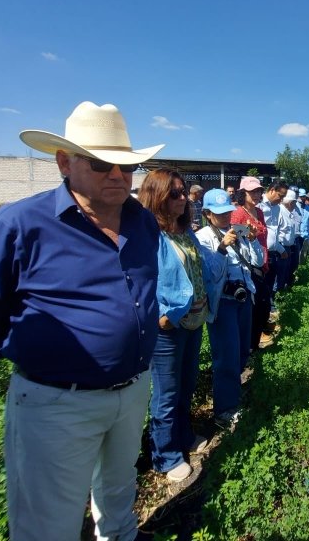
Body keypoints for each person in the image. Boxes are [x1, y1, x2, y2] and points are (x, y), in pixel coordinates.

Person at [0, 101, 165, 541]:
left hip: (132, 386)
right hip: (56, 402)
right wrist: (39, 350)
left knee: (120, 485)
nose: (118, 176)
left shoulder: (142, 222)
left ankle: (121, 534)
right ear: (64, 162)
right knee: (48, 519)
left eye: (127, 166)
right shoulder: (16, 225)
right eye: (102, 164)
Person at [138, 169, 222, 483]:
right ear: (156, 196)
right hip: (169, 328)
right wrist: (162, 314)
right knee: (166, 393)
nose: (183, 198)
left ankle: (183, 434)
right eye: (175, 193)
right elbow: (140, 278)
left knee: (186, 385)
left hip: (192, 321)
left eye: (183, 192)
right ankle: (165, 455)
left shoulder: (184, 231)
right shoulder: (150, 235)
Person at [196, 189, 264, 428]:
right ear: (206, 213)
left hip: (244, 298)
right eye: (219, 213)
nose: (225, 217)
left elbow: (258, 262)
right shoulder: (203, 237)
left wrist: (253, 241)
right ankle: (224, 410)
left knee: (242, 350)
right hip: (223, 302)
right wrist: (222, 248)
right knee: (226, 356)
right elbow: (209, 273)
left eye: (227, 212)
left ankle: (233, 392)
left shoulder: (239, 232)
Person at [230, 176, 273, 350]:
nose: (256, 194)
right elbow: (233, 234)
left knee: (263, 306)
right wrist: (249, 232)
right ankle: (249, 347)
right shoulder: (238, 212)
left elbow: (260, 235)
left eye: (258, 191)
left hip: (261, 262)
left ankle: (253, 344)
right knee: (256, 307)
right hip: (248, 267)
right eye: (252, 191)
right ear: (243, 193)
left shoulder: (259, 212)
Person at [260, 179, 290, 312]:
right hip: (260, 253)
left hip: (272, 252)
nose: (282, 199)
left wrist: (280, 248)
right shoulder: (258, 205)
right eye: (280, 196)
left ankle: (268, 309)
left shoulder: (277, 208)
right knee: (261, 286)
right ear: (272, 190)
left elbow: (274, 232)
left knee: (270, 283)